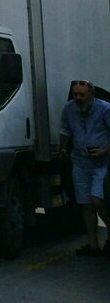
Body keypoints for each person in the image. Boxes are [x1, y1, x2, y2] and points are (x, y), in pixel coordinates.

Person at [59, 79, 110, 256]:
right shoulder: (69, 109)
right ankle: (93, 244)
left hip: (101, 163)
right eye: (75, 95)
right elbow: (65, 130)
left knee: (98, 200)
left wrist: (104, 151)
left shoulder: (105, 109)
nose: (78, 98)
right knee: (86, 205)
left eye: (82, 94)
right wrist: (64, 149)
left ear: (91, 94)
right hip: (80, 162)